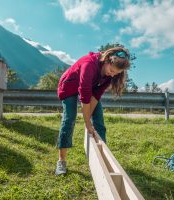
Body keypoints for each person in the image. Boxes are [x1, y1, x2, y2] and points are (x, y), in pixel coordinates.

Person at [55, 47, 131, 175]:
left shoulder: (110, 75)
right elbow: (85, 98)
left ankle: (103, 159)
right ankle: (61, 161)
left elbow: (95, 96)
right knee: (69, 119)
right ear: (107, 61)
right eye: (112, 70)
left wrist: (89, 118)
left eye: (116, 73)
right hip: (69, 86)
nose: (113, 75)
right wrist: (87, 124)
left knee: (99, 121)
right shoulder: (89, 64)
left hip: (88, 89)